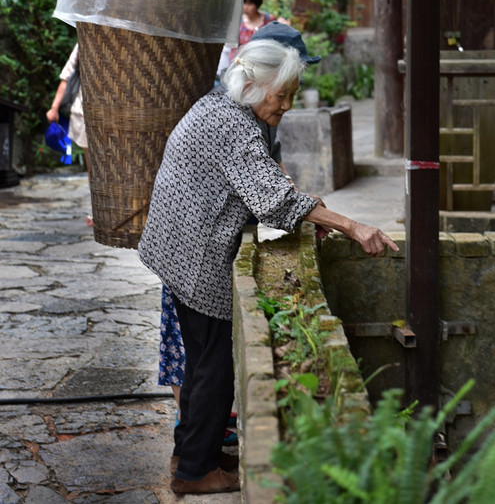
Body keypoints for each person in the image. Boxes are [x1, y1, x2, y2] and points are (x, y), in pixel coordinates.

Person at [138, 33, 398, 496]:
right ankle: (195, 473)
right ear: (255, 84)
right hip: (194, 256)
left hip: (176, 248)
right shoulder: (232, 123)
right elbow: (272, 198)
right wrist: (352, 226)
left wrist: (309, 209)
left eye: (292, 96)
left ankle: (191, 452)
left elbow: (268, 188)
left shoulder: (222, 108)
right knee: (215, 365)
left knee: (200, 363)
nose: (287, 106)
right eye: (283, 95)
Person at [46, 43, 91, 223]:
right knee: (94, 167)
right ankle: (100, 212)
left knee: (96, 167)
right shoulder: (84, 42)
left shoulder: (86, 40)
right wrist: (54, 107)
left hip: (90, 112)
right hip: (84, 112)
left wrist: (54, 108)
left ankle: (105, 212)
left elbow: (66, 77)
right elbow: (67, 76)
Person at [227, 0, 290, 65]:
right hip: (239, 62)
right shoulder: (237, 21)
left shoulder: (269, 20)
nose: (245, 7)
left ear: (257, 4)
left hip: (261, 63)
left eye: (249, 4)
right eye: (244, 3)